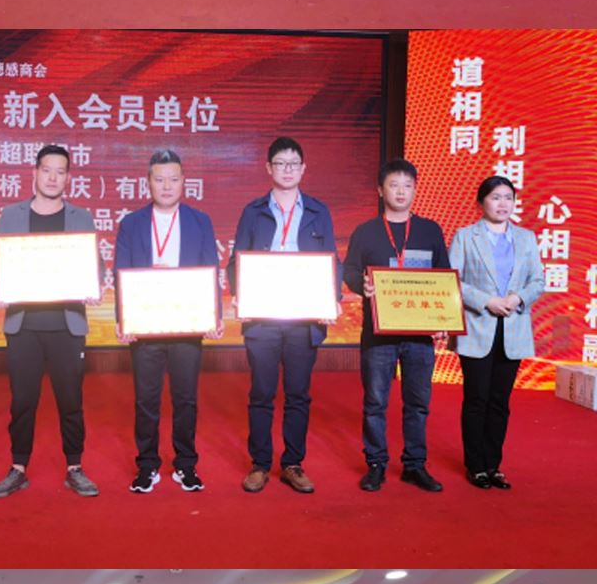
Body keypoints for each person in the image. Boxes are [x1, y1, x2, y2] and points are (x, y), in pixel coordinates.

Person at [0, 145, 99, 499]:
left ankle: (75, 467)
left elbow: (94, 266)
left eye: (60, 171)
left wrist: (93, 285)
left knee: (71, 400)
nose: (53, 177)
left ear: (68, 177)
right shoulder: (11, 215)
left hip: (67, 326)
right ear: (34, 172)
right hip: (24, 326)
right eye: (47, 170)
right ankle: (18, 468)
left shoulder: (81, 218)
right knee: (22, 401)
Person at [228, 137, 339, 494]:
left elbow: (331, 261)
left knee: (298, 394)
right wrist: (240, 292)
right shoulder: (253, 211)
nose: (287, 170)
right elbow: (235, 261)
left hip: (303, 319)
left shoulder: (319, 211)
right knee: (261, 392)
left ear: (303, 169)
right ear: (268, 168)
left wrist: (332, 299)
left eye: (293, 164)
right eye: (280, 163)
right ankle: (260, 464)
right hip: (263, 317)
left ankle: (293, 463)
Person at [342, 161, 450, 494]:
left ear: (415, 190)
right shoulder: (366, 232)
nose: (401, 192)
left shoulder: (430, 230)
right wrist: (362, 285)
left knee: (418, 402)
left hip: (419, 335)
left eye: (407, 185)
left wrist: (445, 321)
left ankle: (414, 465)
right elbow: (349, 271)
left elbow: (444, 276)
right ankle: (376, 463)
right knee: (375, 402)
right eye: (393, 185)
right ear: (380, 190)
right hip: (378, 334)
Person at [115, 151, 219, 494]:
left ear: (183, 182)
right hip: (145, 324)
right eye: (159, 179)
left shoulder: (200, 221)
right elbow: (121, 271)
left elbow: (211, 268)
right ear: (148, 182)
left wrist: (214, 315)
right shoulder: (131, 223)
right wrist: (123, 319)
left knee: (185, 398)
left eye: (173, 179)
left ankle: (186, 465)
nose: (166, 186)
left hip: (187, 323)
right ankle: (147, 465)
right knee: (146, 399)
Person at [452, 173, 545, 489]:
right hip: (478, 327)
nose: (502, 203)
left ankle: (493, 465)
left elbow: (538, 280)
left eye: (508, 197)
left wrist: (517, 298)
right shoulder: (466, 236)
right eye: (495, 197)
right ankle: (476, 466)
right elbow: (454, 279)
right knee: (476, 399)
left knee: (500, 402)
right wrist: (486, 301)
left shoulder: (526, 238)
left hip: (513, 329)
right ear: (481, 203)